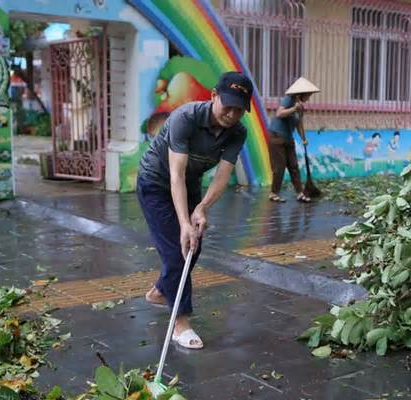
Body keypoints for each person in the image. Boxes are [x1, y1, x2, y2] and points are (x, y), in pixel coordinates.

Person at [136, 71, 253, 350]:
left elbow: (223, 175)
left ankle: (159, 292)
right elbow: (175, 174)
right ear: (213, 96)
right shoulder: (185, 118)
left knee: (194, 247)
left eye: (240, 109)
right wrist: (184, 223)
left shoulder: (238, 132)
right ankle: (181, 324)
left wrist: (201, 208)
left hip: (190, 187)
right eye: (228, 105)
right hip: (156, 183)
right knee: (179, 249)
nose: (232, 114)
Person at [268, 77, 320, 203]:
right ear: (302, 94)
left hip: (288, 138)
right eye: (309, 95)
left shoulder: (301, 107)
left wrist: (303, 138)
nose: (309, 97)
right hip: (276, 137)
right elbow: (279, 114)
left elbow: (299, 124)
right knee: (279, 167)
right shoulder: (288, 99)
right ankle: (273, 193)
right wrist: (293, 109)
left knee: (294, 166)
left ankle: (300, 193)